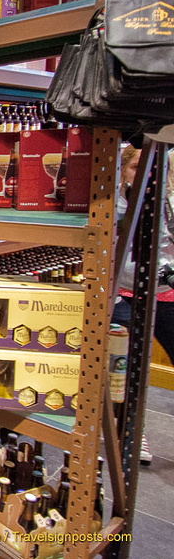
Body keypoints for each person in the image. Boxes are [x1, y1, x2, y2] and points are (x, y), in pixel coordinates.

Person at [113, 143, 174, 465]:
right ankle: (132, 431)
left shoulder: (170, 204)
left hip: (167, 294)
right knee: (126, 368)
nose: (147, 175)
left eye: (155, 167)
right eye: (137, 167)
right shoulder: (113, 205)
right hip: (123, 294)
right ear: (122, 169)